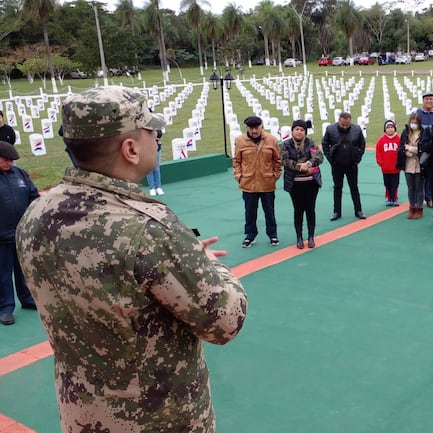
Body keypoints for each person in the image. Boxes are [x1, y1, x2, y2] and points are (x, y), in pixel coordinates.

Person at [15, 86, 248, 432]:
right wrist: (208, 263)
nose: (158, 139)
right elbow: (226, 320)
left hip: (82, 414)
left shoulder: (36, 214)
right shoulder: (148, 230)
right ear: (130, 148)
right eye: (152, 132)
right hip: (157, 420)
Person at [0, 141, 39, 325]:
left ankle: (27, 299)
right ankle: (5, 308)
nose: (10, 163)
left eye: (12, 160)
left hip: (20, 234)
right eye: (6, 160)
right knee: (3, 274)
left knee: (23, 270)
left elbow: (33, 195)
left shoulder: (20, 174)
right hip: (1, 237)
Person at [233, 115, 282, 248]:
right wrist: (239, 176)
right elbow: (237, 161)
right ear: (247, 128)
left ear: (262, 126)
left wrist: (274, 176)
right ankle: (250, 235)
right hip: (248, 183)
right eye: (251, 128)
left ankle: (272, 234)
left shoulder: (272, 140)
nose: (254, 131)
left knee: (270, 211)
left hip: (267, 183)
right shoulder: (240, 141)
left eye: (257, 128)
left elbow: (277, 161)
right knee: (250, 212)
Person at [281, 119, 324, 249]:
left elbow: (319, 157)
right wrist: (299, 167)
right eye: (297, 129)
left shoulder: (311, 143)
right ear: (292, 131)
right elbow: (285, 160)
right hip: (294, 183)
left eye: (302, 130)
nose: (299, 132)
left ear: (305, 132)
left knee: (310, 209)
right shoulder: (286, 144)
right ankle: (299, 237)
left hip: (311, 183)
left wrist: (309, 164)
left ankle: (311, 236)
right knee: (298, 210)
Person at [322, 112, 367, 220]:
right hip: (337, 165)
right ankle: (336, 212)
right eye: (343, 125)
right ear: (339, 121)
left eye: (347, 124)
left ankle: (358, 210)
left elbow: (362, 143)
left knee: (354, 188)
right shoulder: (330, 129)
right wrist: (330, 159)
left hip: (352, 164)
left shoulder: (356, 129)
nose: (345, 127)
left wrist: (358, 157)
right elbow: (325, 144)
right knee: (337, 188)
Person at [396, 112, 427, 219]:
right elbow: (402, 147)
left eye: (415, 122)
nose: (413, 124)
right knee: (411, 188)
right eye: (412, 122)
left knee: (419, 188)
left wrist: (410, 148)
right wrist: (408, 151)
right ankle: (412, 207)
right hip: (408, 164)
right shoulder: (405, 132)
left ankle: (419, 208)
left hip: (419, 164)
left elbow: (423, 149)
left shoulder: (424, 133)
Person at [416, 91, 433, 208]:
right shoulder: (417, 114)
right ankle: (418, 198)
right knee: (419, 174)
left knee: (431, 174)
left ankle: (429, 197)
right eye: (426, 99)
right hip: (420, 148)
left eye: (431, 99)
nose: (429, 101)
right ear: (423, 100)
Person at [375, 119, 401, 206]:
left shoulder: (399, 139)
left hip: (395, 168)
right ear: (385, 129)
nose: (390, 129)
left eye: (392, 127)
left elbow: (401, 152)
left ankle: (395, 198)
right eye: (388, 127)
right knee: (387, 184)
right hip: (386, 168)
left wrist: (400, 163)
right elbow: (378, 153)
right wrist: (381, 163)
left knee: (395, 184)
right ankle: (389, 197)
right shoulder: (381, 140)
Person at [146, 128, 164, 196]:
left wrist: (154, 136)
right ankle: (152, 188)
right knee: (149, 168)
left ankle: (158, 187)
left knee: (156, 168)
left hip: (157, 149)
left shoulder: (157, 125)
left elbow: (159, 134)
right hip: (147, 148)